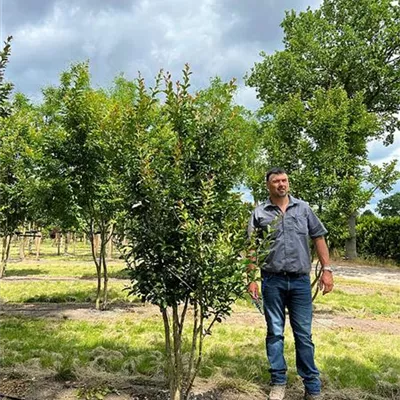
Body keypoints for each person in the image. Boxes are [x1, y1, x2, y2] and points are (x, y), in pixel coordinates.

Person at [247, 167, 334, 400]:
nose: (281, 184)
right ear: (268, 185)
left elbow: (318, 238)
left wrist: (327, 270)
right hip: (271, 281)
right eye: (276, 181)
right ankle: (278, 382)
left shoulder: (304, 209)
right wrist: (251, 279)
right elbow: (252, 249)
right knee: (275, 332)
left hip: (300, 282)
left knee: (304, 335)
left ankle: (312, 386)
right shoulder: (259, 213)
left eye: (284, 180)